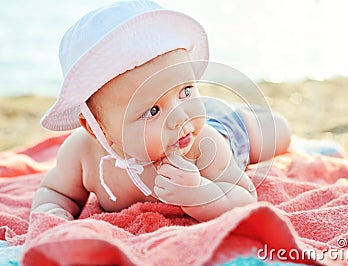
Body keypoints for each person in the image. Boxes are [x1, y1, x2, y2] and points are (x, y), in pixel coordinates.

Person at [31, 0, 291, 222]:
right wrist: (53, 212)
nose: (180, 117)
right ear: (96, 129)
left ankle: (248, 114)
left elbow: (245, 200)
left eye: (187, 90)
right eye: (153, 110)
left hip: (225, 128)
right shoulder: (82, 155)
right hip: (205, 119)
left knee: (277, 134)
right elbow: (57, 191)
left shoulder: (202, 144)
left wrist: (199, 193)